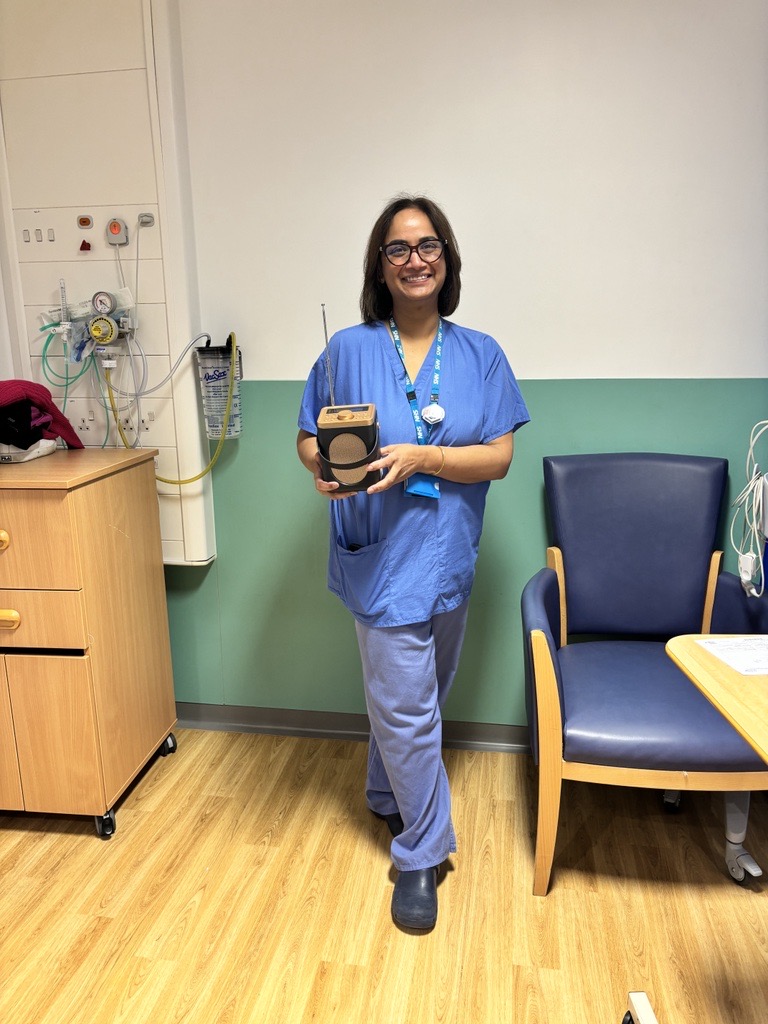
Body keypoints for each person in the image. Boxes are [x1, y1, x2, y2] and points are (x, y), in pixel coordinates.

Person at [297, 194, 529, 931]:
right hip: (380, 553)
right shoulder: (347, 351)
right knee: (405, 703)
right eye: (398, 248)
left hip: (449, 554)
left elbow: (497, 457)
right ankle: (421, 853)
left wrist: (427, 456)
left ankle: (384, 789)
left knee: (424, 692)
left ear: (447, 256)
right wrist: (322, 469)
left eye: (427, 245)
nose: (415, 259)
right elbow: (310, 437)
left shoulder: (481, 354)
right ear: (381, 265)